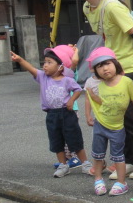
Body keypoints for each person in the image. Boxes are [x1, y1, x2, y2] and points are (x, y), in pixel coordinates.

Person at [69, 0, 133, 180]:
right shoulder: (87, 8)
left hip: (131, 66)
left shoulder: (113, 6)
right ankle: (127, 162)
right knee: (119, 116)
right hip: (113, 67)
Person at [10, 46, 91, 178]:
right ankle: (63, 165)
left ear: (60, 67)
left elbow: (77, 90)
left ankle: (86, 164)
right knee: (56, 140)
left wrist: (71, 101)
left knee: (75, 139)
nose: (45, 65)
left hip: (67, 114)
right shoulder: (43, 77)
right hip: (52, 115)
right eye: (44, 62)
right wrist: (20, 60)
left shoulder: (67, 80)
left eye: (49, 62)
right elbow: (31, 69)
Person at [85, 48, 133, 196]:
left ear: (115, 64)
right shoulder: (100, 85)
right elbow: (101, 102)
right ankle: (98, 179)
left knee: (118, 156)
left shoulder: (126, 81)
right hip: (100, 125)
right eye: (100, 66)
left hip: (117, 127)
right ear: (95, 71)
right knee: (98, 155)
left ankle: (122, 183)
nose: (105, 68)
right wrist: (89, 108)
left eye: (107, 64)